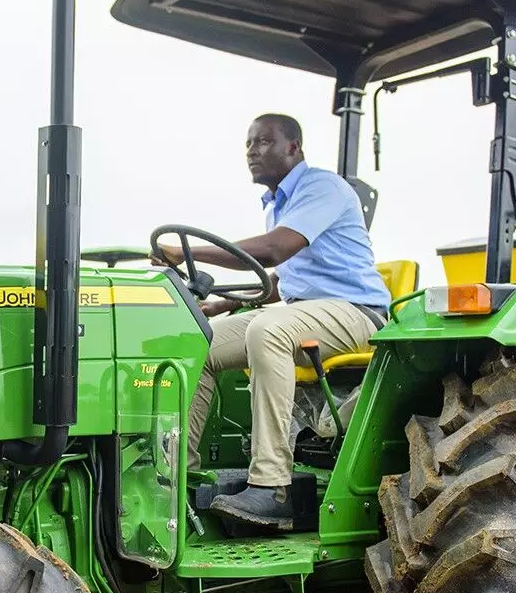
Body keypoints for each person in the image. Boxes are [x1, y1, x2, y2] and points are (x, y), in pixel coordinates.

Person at [155, 113, 390, 529]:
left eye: (263, 142)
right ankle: (174, 477)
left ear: (293, 148)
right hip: (306, 311)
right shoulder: (278, 203)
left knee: (269, 331)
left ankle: (272, 487)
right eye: (248, 144)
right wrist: (220, 306)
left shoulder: (323, 187)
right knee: (199, 342)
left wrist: (184, 252)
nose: (252, 152)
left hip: (357, 312)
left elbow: (274, 250)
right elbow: (282, 282)